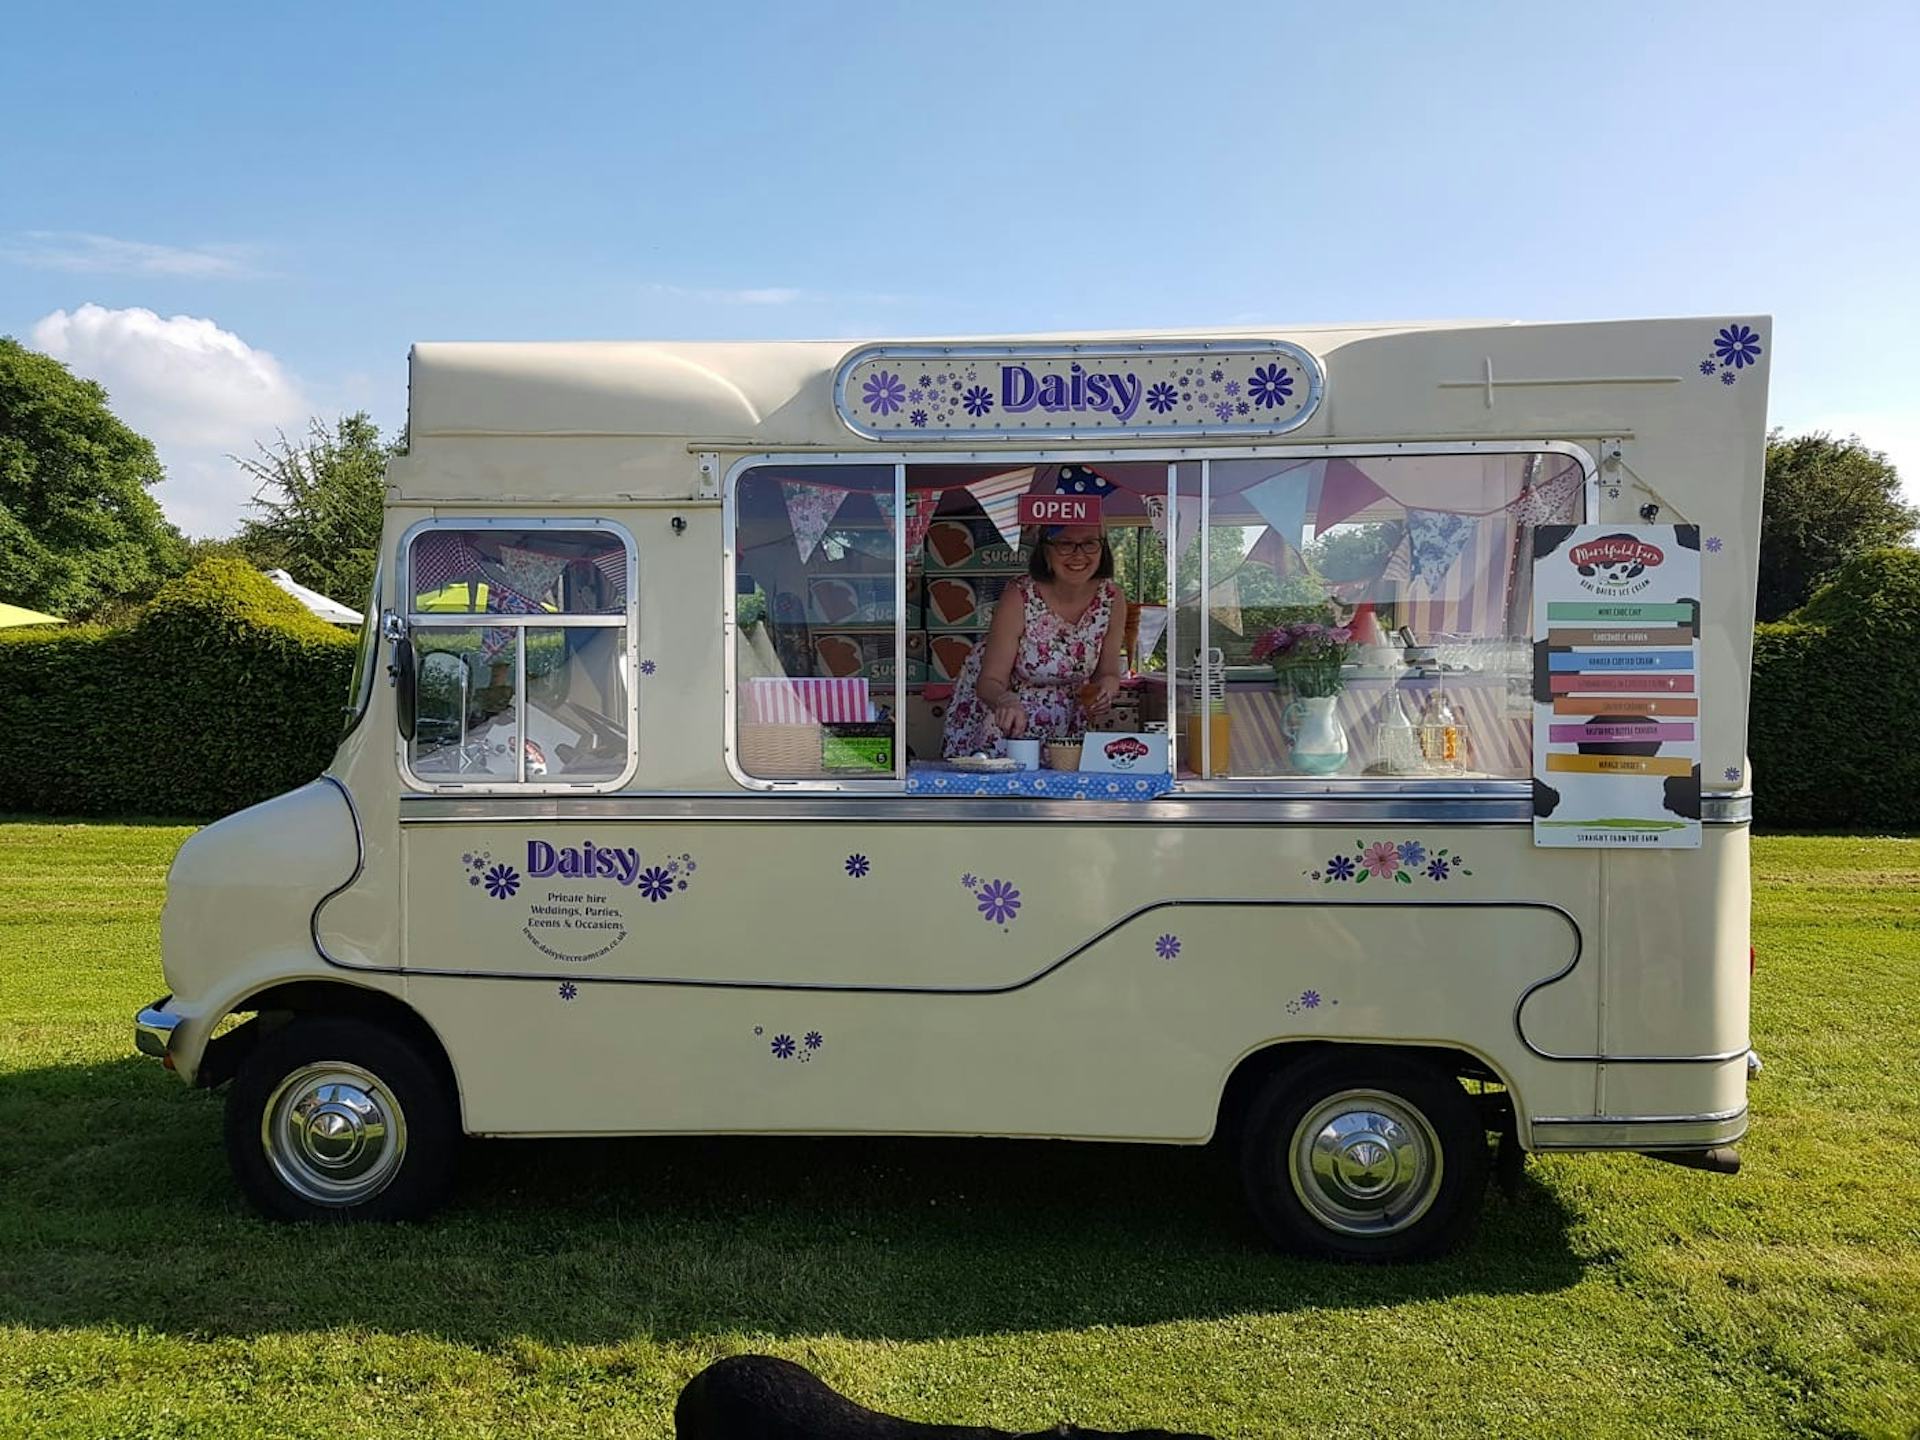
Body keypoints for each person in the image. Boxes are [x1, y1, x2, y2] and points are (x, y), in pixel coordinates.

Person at [942, 524, 1127, 757]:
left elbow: (1108, 671)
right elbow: (989, 681)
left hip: (1067, 727)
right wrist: (1005, 700)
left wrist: (1107, 688)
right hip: (1004, 724)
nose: (1079, 554)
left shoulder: (1112, 597)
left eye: (1090, 543)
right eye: (1065, 544)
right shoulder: (1018, 594)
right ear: (1045, 549)